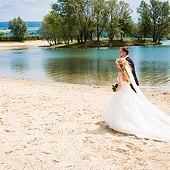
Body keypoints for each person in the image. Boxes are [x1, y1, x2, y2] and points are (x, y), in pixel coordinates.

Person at [103, 57, 170, 141]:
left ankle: (123, 123)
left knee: (121, 108)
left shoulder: (120, 73)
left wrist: (115, 89)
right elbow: (128, 83)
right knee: (130, 108)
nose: (116, 66)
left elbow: (120, 85)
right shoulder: (128, 72)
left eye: (117, 64)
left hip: (122, 93)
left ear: (119, 65)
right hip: (129, 92)